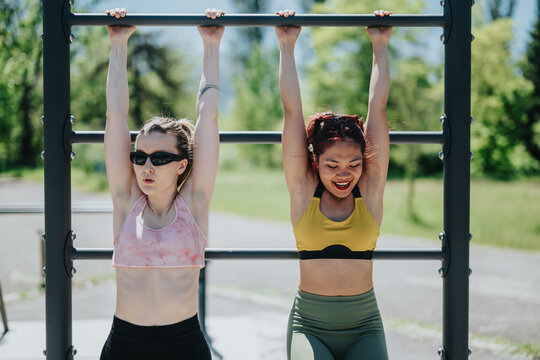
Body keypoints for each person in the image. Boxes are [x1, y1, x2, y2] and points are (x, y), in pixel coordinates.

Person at [100, 7, 225, 360]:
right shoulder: (126, 202)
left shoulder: (195, 203)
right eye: (139, 157)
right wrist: (119, 43)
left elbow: (207, 116)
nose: (146, 166)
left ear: (182, 164)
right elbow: (116, 115)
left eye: (159, 158)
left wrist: (211, 45)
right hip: (125, 344)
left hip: (183, 345)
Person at [275, 9, 393, 360]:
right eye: (332, 165)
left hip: (365, 325)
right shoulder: (302, 190)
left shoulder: (369, 190)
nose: (345, 174)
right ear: (315, 162)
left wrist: (380, 46)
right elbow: (292, 113)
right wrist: (286, 46)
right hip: (309, 325)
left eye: (354, 164)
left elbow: (378, 109)